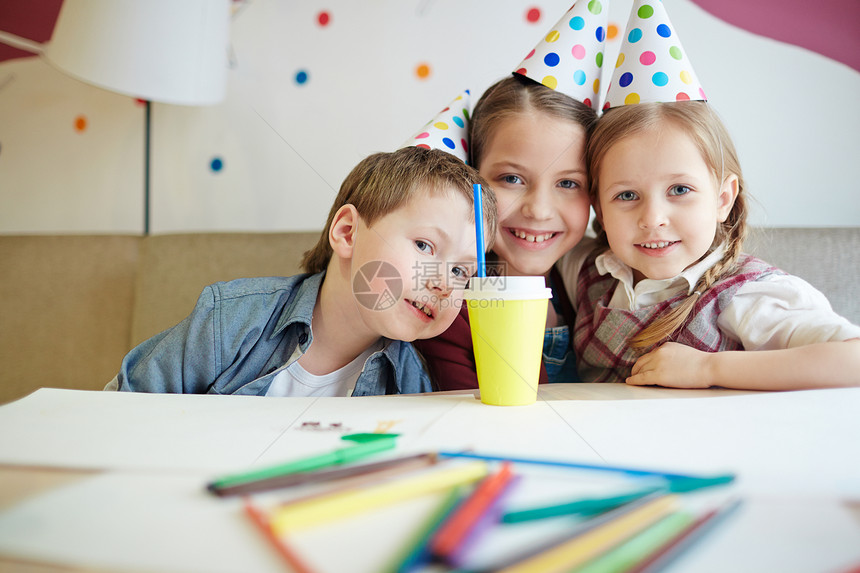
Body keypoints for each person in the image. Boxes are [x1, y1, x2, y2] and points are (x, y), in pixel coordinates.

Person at [562, 0, 860, 390]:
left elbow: (852, 359)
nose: (653, 218)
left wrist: (710, 370)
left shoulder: (745, 296)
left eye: (680, 190)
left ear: (723, 199)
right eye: (626, 195)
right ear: (598, 207)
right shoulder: (589, 270)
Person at [106, 146, 497, 396]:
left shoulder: (412, 382)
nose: (444, 284)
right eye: (425, 246)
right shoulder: (230, 322)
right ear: (347, 233)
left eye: (463, 272)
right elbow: (118, 411)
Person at [413, 2, 607, 389]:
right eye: (512, 179)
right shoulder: (446, 305)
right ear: (472, 177)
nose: (538, 209)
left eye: (568, 183)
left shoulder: (598, 286)